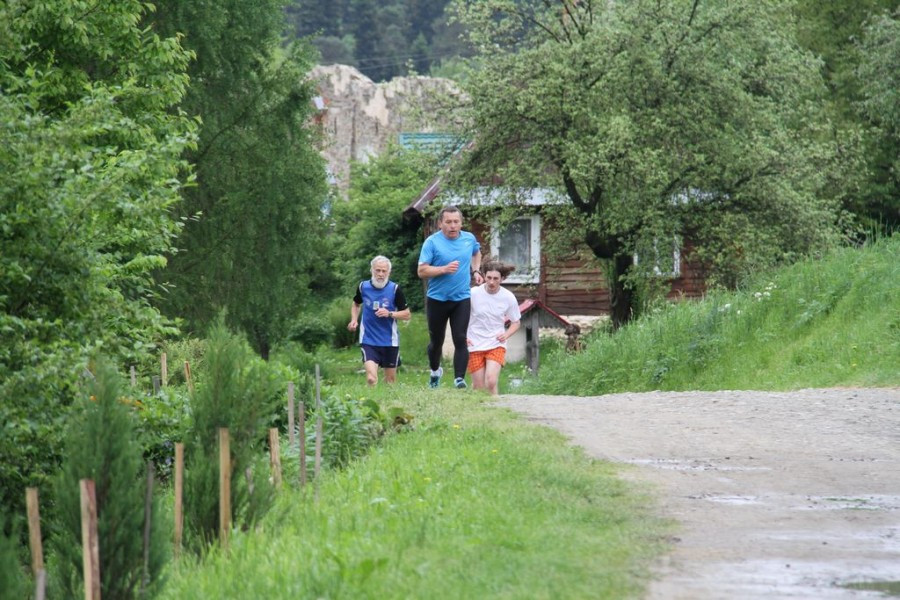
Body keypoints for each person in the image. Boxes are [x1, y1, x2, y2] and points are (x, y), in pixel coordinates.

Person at [417, 205, 483, 389]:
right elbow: (421, 271)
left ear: (461, 223)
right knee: (436, 342)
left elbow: (476, 252)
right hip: (437, 299)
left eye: (456, 222)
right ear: (440, 224)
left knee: (460, 338)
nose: (453, 226)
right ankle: (435, 370)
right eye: (448, 222)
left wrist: (476, 270)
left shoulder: (469, 239)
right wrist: (443, 269)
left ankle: (459, 379)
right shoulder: (432, 242)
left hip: (461, 298)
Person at [348, 256, 411, 385]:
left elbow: (407, 314)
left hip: (390, 341)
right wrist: (354, 320)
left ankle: (387, 403)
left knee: (390, 382)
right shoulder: (363, 287)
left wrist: (390, 313)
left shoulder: (395, 289)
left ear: (388, 272)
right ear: (372, 270)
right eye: (378, 270)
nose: (380, 274)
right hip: (368, 339)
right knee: (371, 378)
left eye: (384, 271)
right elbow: (356, 304)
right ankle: (370, 402)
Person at [466, 260, 521, 395]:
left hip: (496, 343)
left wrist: (506, 335)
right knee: (479, 387)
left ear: (502, 279)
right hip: (474, 342)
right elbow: (460, 316)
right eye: (489, 277)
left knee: (490, 381)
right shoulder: (473, 294)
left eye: (495, 278)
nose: (491, 282)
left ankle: (496, 405)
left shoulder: (508, 297)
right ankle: (480, 410)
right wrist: (463, 336)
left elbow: (516, 322)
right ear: (484, 276)